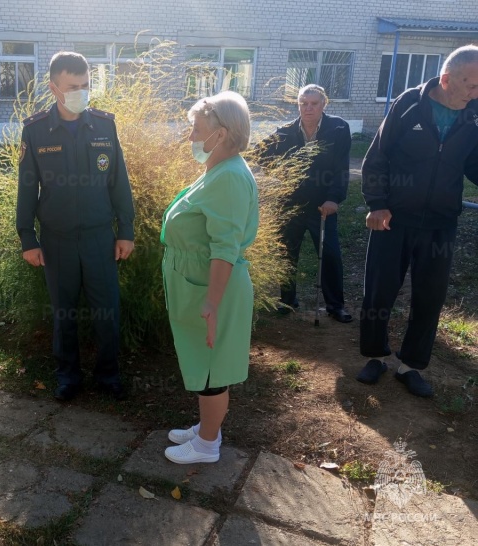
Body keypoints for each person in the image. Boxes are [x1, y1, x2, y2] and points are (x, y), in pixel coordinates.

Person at [358, 45, 478, 397]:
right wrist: (377, 204)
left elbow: (473, 164)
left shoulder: (473, 114)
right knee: (379, 291)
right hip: (393, 218)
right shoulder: (409, 104)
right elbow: (377, 156)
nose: (476, 93)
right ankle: (376, 356)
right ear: (446, 79)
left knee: (430, 296)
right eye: (471, 85)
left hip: (441, 222)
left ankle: (411, 365)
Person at [16, 51, 135, 402]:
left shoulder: (103, 125)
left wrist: (125, 229)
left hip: (100, 237)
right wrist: (27, 237)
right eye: (73, 86)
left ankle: (108, 375)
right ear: (54, 87)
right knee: (63, 314)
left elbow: (119, 182)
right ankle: (67, 377)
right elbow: (26, 188)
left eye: (85, 85)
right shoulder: (36, 130)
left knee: (107, 312)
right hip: (57, 240)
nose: (81, 92)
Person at [161, 91, 259, 464]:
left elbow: (225, 247)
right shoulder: (219, 170)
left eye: (197, 130)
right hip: (198, 283)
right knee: (203, 364)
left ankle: (207, 445)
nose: (191, 138)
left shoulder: (230, 177)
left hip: (212, 289)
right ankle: (206, 428)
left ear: (222, 133)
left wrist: (212, 303)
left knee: (212, 370)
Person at [258, 84, 352, 322]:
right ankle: (287, 301)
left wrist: (333, 198)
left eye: (314, 104)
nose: (308, 108)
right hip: (290, 203)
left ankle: (335, 306)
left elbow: (341, 168)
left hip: (323, 205)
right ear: (298, 105)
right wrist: (280, 174)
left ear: (324, 105)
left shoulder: (338, 128)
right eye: (303, 103)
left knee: (330, 254)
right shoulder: (285, 131)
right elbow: (259, 153)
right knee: (287, 253)